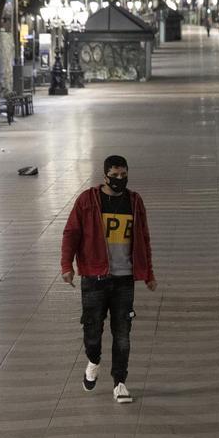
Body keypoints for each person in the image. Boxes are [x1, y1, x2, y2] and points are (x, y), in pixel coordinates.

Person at [61, 155, 156, 404]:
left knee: (122, 334)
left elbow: (143, 237)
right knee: (92, 332)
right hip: (94, 278)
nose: (119, 180)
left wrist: (148, 274)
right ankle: (93, 361)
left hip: (123, 279)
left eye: (123, 175)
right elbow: (71, 233)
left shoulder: (134, 202)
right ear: (105, 176)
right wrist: (66, 266)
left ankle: (120, 382)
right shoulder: (87, 201)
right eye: (114, 176)